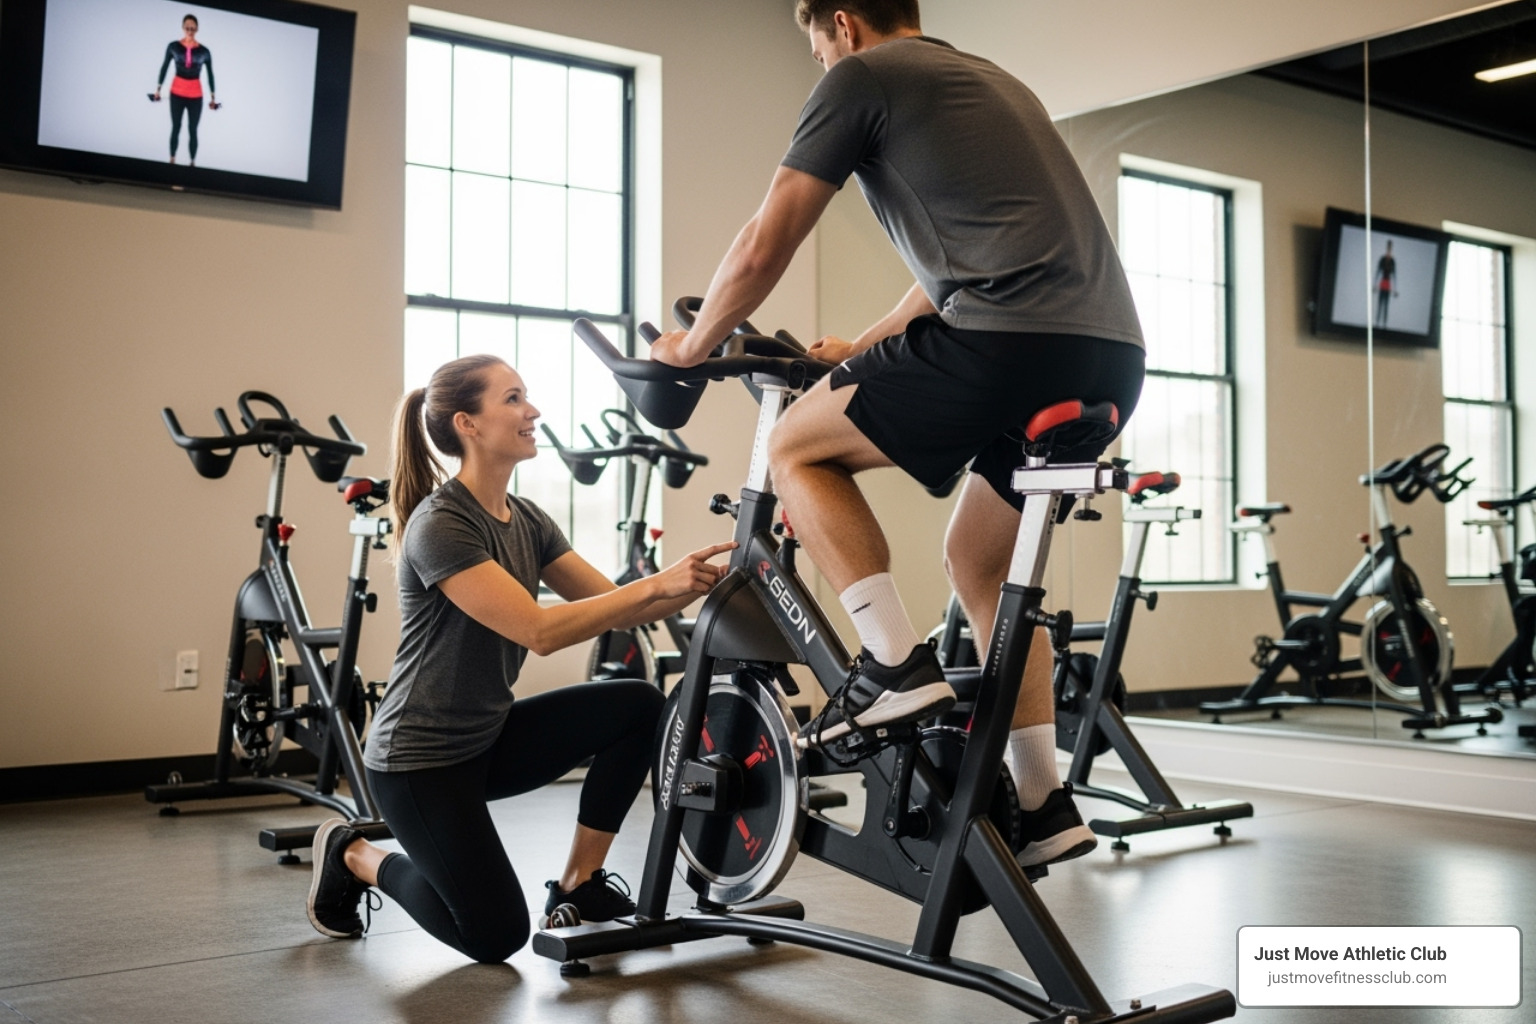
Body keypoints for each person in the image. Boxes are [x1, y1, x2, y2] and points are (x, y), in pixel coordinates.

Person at [649, 0, 1145, 868]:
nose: (819, 63)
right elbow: (956, 267)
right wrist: (864, 348)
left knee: (794, 447)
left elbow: (767, 239)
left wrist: (688, 348)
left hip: (1005, 342)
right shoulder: (992, 83)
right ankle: (1042, 801)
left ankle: (892, 667)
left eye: (813, 47)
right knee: (982, 562)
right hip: (1107, 356)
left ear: (840, 23)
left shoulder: (862, 77)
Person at [304, 354, 735, 962]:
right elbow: (539, 630)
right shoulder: (442, 524)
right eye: (512, 399)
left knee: (638, 706)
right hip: (418, 763)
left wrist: (697, 585)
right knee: (493, 936)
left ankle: (579, 884)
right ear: (467, 424)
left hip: (486, 739)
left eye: (526, 396)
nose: (532, 411)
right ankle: (355, 853)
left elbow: (613, 606)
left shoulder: (528, 520)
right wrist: (658, 584)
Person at [152, 14, 217, 166]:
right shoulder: (173, 47)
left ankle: (192, 163)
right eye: (187, 27)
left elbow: (210, 74)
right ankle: (172, 159)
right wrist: (158, 89)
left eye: (192, 28)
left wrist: (213, 97)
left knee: (192, 129)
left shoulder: (204, 51)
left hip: (195, 95)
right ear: (183, 28)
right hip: (177, 92)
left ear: (197, 29)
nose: (190, 30)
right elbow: (164, 67)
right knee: (176, 127)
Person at [1375, 240, 1398, 327]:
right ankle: (1377, 324)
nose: (1389, 249)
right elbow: (1377, 273)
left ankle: (1384, 324)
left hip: (1388, 285)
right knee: (1380, 304)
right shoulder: (1382, 259)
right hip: (1382, 284)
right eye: (1388, 247)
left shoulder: (1392, 261)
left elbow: (1394, 276)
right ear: (1386, 248)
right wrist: (1375, 286)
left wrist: (1395, 289)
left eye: (1390, 248)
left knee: (1386, 306)